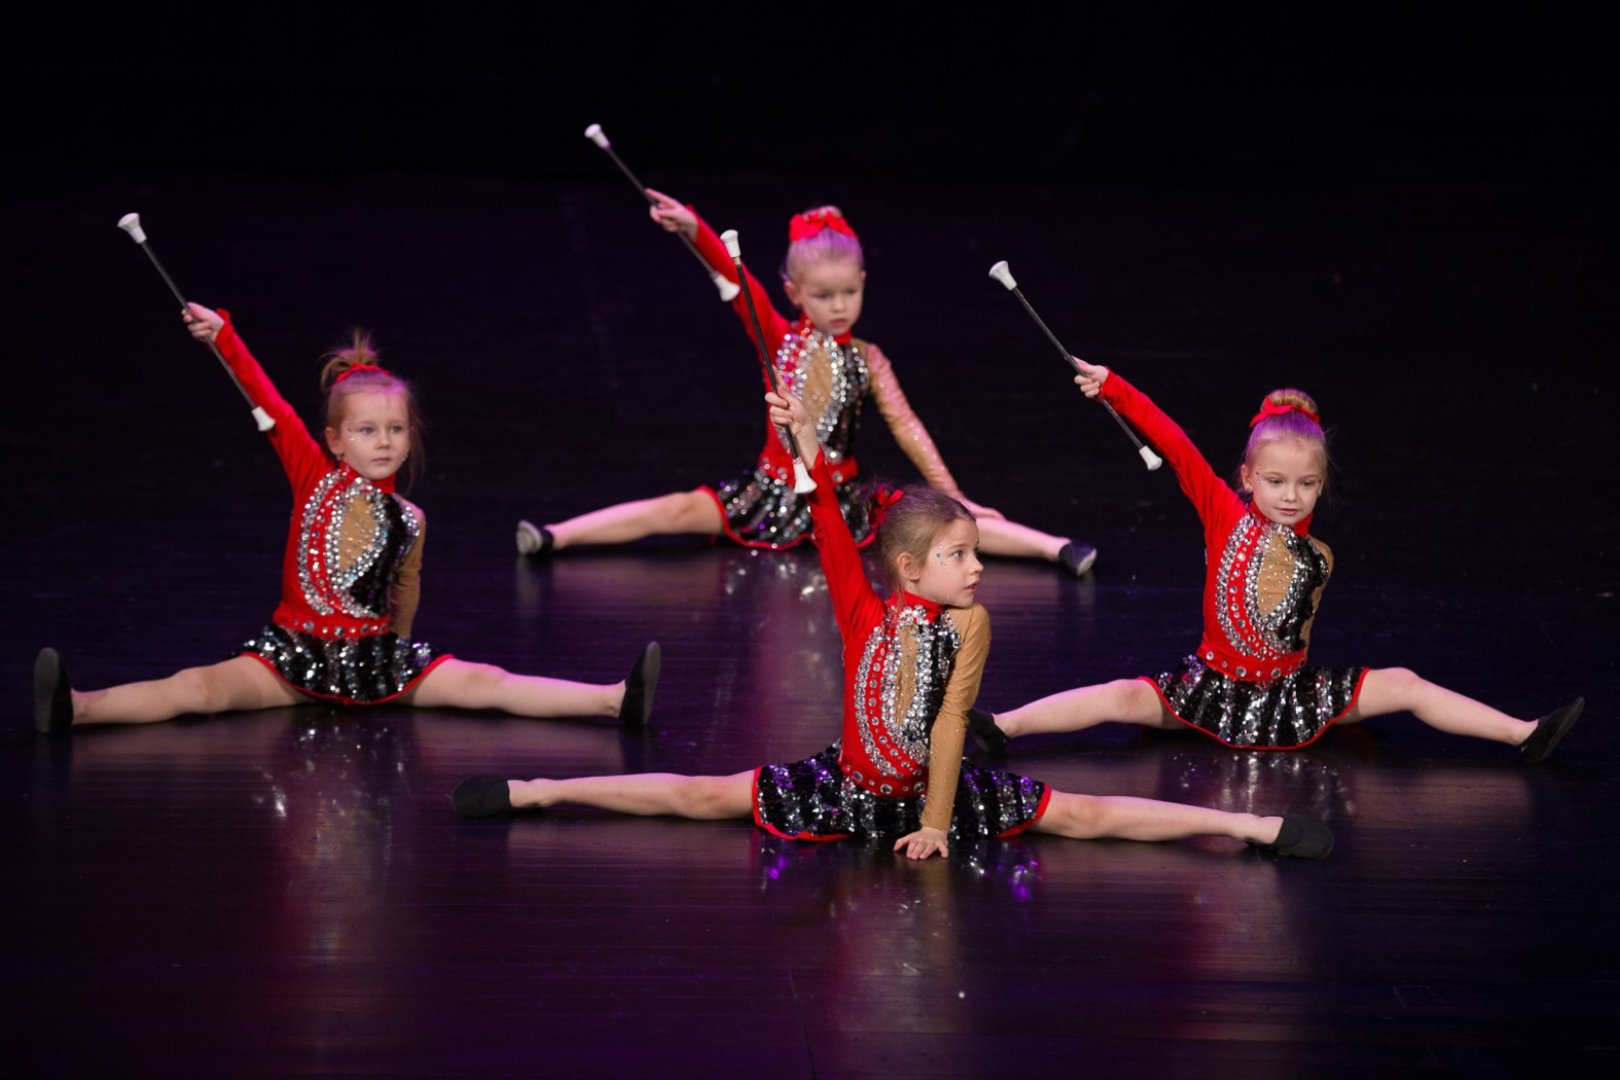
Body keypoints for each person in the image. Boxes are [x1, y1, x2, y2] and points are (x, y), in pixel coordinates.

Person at [454, 390, 1332, 861]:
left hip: (930, 796)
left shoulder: (969, 627)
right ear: (910, 568)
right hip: (845, 785)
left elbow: (948, 728)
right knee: (697, 796)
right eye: (962, 556)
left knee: (1087, 817)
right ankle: (537, 792)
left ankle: (1253, 830)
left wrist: (940, 823)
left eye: (977, 555)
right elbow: (829, 525)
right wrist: (803, 442)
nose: (978, 570)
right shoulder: (861, 609)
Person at [33, 304, 659, 734]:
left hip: (373, 659)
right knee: (199, 690)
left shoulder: (409, 518)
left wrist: (400, 650)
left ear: (410, 439)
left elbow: (406, 589)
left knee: (484, 683)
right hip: (291, 656)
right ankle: (78, 708)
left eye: (395, 430)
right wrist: (223, 338)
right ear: (335, 440)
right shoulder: (313, 476)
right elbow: (269, 403)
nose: (383, 441)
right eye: (366, 430)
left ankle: (613, 700)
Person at [966, 360, 1582, 762]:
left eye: (1306, 485)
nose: (1291, 496)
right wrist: (1115, 388)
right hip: (1211, 688)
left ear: (1321, 486)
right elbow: (1175, 443)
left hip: (1291, 695)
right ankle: (1003, 726)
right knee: (1123, 696)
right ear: (1248, 478)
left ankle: (1524, 733)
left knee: (1402, 683)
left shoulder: (1316, 552)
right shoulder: (1223, 514)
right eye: (1276, 482)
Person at [515, 192, 1097, 575]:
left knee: (941, 520)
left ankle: (1056, 549)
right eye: (823, 295)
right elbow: (734, 277)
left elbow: (906, 426)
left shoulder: (869, 358)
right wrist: (694, 228)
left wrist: (954, 492)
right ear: (795, 293)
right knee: (675, 511)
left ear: (863, 281)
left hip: (845, 498)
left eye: (850, 292)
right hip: (768, 490)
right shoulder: (776, 336)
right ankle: (555, 535)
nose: (839, 306)